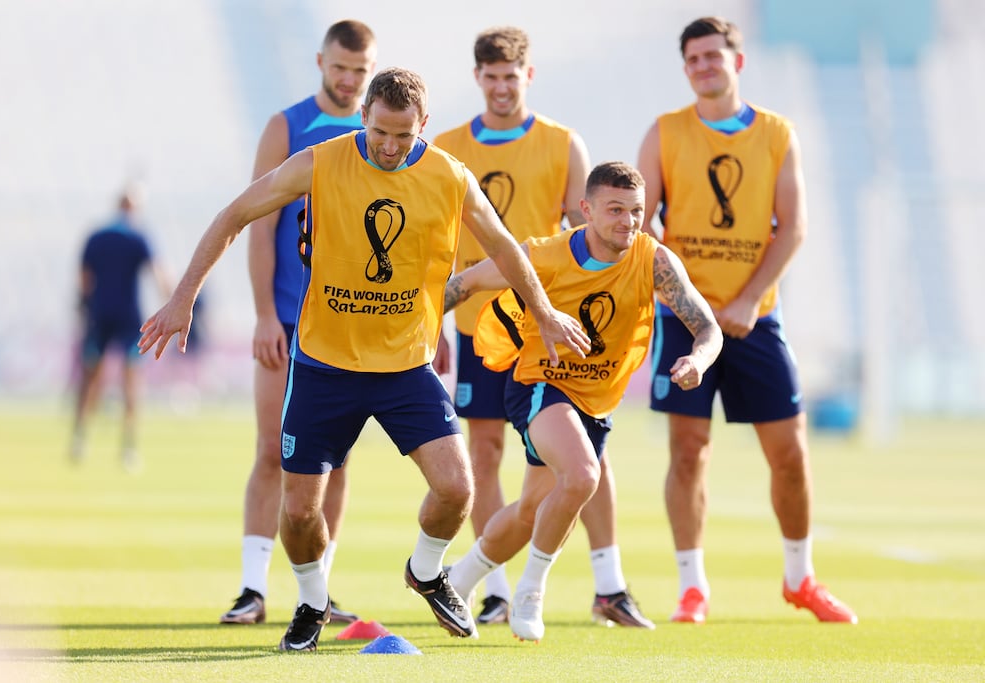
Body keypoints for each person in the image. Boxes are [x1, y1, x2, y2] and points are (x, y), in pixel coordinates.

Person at [138, 67, 591, 652]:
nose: (390, 146)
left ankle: (427, 570)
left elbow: (506, 247)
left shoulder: (449, 176)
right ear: (364, 118)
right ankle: (310, 599)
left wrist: (546, 312)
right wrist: (182, 296)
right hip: (326, 365)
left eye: (404, 135)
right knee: (300, 512)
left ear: (423, 126)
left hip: (405, 366)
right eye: (380, 131)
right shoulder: (322, 161)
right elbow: (236, 214)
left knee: (457, 488)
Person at [635, 16, 858, 624]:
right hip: (684, 317)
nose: (705, 66)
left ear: (738, 62)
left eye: (715, 55)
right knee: (688, 452)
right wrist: (687, 300)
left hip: (754, 317)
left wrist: (743, 301)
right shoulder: (664, 133)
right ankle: (692, 587)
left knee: (789, 453)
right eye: (694, 58)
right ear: (686, 68)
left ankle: (800, 578)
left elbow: (794, 227)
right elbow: (641, 226)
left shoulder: (777, 133)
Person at [441, 162, 723, 641]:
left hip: (597, 402)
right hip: (538, 385)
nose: (628, 222)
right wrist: (416, 334)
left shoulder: (654, 260)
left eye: (636, 211)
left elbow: (708, 328)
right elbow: (461, 285)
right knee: (584, 475)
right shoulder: (541, 255)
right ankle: (529, 594)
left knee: (534, 510)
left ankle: (459, 579)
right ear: (586, 210)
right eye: (615, 210)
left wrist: (698, 360)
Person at [432, 26, 646, 629]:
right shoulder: (447, 146)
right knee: (485, 451)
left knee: (583, 458)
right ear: (479, 78)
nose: (502, 87)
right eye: (491, 77)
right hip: (479, 323)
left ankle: (608, 583)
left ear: (529, 77)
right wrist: (439, 324)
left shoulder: (562, 144)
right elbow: (438, 242)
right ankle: (496, 590)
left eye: (512, 76)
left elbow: (590, 234)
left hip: (552, 332)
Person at [218, 18, 376, 629]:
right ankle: (252, 590)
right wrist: (263, 314)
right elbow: (261, 225)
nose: (349, 80)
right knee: (269, 451)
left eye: (360, 71)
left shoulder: (382, 132)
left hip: (349, 325)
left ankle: (319, 590)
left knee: (336, 460)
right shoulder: (287, 126)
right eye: (340, 67)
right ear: (320, 62)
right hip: (287, 318)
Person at [71, 184, 169, 473]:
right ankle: (128, 447)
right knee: (130, 380)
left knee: (91, 376)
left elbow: (84, 278)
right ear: (135, 207)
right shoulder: (139, 236)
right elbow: (159, 272)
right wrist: (176, 303)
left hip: (100, 315)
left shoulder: (97, 235)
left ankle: (79, 437)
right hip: (128, 317)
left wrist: (84, 309)